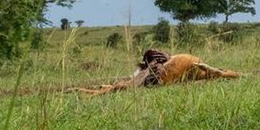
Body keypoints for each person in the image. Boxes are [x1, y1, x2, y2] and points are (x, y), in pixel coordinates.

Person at [70, 48, 241, 96]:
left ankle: (92, 91)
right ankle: (94, 91)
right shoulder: (193, 66)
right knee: (133, 85)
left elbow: (231, 74)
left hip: (180, 66)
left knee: (131, 85)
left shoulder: (198, 72)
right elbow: (231, 74)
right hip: (182, 64)